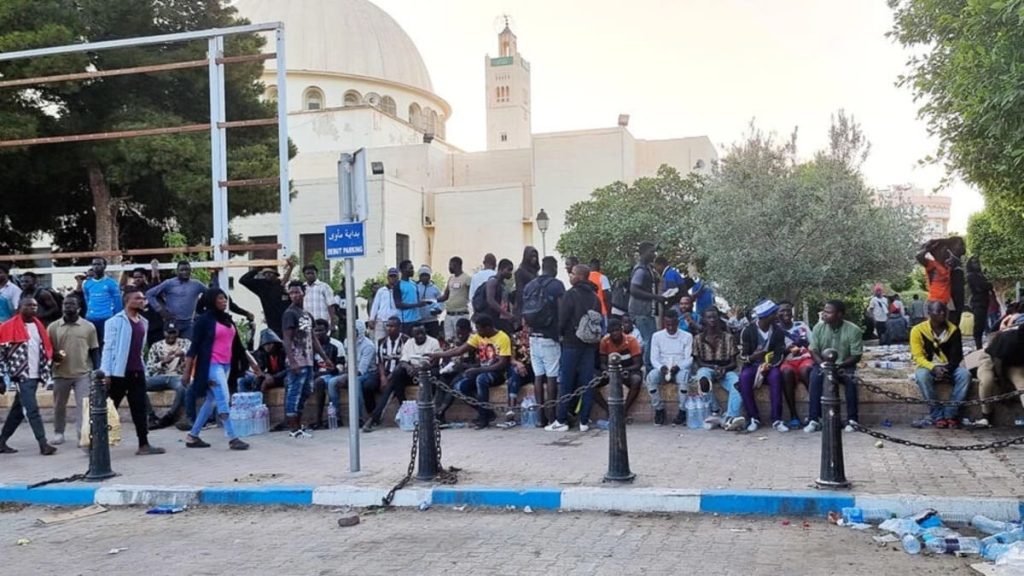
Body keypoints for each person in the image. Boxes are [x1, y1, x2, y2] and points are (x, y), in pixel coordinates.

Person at [180, 289, 260, 450]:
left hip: (226, 365)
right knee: (223, 399)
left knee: (211, 401)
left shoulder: (228, 320)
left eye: (225, 298)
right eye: (220, 298)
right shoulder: (203, 321)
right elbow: (193, 348)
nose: (224, 301)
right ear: (211, 301)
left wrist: (252, 363)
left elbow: (238, 345)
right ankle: (233, 437)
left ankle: (192, 436)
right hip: (211, 365)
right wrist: (187, 372)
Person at [100, 289, 165, 455]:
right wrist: (105, 372)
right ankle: (96, 442)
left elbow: (139, 349)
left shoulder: (143, 321)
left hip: (137, 371)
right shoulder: (114, 322)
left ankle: (143, 444)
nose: (143, 301)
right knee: (108, 408)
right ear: (128, 301)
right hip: (118, 373)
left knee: (139, 408)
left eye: (143, 298)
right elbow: (108, 348)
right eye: (138, 298)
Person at [544, 264, 602, 432]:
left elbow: (562, 319)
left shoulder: (570, 295)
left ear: (580, 276)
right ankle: (584, 421)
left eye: (572, 273)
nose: (570, 275)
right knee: (587, 382)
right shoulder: (595, 297)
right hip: (589, 344)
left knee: (566, 382)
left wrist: (560, 335)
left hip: (571, 343)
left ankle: (561, 420)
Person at [430, 314, 512, 430]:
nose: (477, 331)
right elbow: (459, 350)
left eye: (479, 328)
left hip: (497, 373)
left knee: (481, 379)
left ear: (488, 328)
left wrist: (478, 370)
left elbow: (502, 363)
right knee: (460, 387)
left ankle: (483, 419)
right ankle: (487, 413)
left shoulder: (503, 337)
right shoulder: (478, 337)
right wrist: (437, 355)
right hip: (482, 370)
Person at [0, 295, 57, 455]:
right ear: (20, 307)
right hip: (21, 374)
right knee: (31, 409)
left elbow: (43, 349)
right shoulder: (7, 327)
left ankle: (1, 441)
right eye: (29, 306)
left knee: (18, 411)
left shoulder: (38, 326)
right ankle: (43, 443)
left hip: (35, 374)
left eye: (35, 306)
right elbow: (1, 354)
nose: (33, 308)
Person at [363, 324, 440, 431]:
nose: (421, 335)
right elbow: (403, 360)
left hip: (427, 372)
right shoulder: (409, 343)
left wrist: (419, 369)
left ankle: (433, 416)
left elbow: (435, 362)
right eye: (417, 334)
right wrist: (408, 367)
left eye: (423, 333)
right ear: (413, 335)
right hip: (411, 372)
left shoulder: (433, 342)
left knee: (435, 373)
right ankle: (381, 414)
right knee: (396, 375)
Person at [281, 281, 334, 438]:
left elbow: (313, 339)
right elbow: (287, 339)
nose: (295, 295)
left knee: (305, 392)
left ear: (304, 293)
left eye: (297, 292)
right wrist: (292, 361)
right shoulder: (289, 314)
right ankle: (293, 428)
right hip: (297, 360)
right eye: (292, 293)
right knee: (294, 392)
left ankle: (298, 424)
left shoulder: (306, 315)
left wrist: (325, 358)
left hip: (309, 359)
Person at [804, 300, 864, 434]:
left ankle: (852, 420)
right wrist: (821, 364)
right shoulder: (818, 328)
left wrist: (839, 365)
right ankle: (814, 419)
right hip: (823, 364)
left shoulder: (853, 330)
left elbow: (856, 355)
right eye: (824, 311)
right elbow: (813, 350)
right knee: (815, 378)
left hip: (844, 365)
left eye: (829, 312)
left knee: (851, 381)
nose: (824, 315)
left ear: (840, 315)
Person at [909, 301, 970, 428]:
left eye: (944, 311)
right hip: (927, 366)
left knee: (965, 375)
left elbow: (957, 356)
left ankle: (950, 414)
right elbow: (918, 357)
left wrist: (946, 369)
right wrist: (933, 367)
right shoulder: (918, 330)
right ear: (929, 313)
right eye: (938, 311)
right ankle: (937, 416)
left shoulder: (953, 330)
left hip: (949, 366)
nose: (942, 313)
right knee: (922, 377)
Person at [47, 295, 98, 445]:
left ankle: (82, 435)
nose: (68, 306)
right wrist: (53, 357)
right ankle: (58, 432)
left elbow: (94, 350)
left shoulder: (89, 326)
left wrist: (97, 370)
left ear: (79, 308)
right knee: (58, 406)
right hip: (60, 373)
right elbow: (47, 350)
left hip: (82, 373)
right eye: (65, 304)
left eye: (71, 304)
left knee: (84, 406)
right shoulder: (53, 327)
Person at [522, 256, 565, 426]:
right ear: (553, 267)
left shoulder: (530, 285)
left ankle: (540, 419)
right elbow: (561, 312)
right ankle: (552, 417)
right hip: (550, 337)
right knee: (552, 376)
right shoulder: (556, 285)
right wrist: (561, 333)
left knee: (538, 376)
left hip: (534, 337)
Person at [737, 299, 788, 433]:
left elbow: (780, 353)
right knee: (744, 378)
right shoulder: (747, 331)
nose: (777, 315)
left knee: (776, 377)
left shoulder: (778, 331)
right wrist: (752, 357)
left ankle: (777, 419)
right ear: (767, 316)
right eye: (774, 314)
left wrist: (770, 365)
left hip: (770, 365)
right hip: (752, 365)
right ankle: (754, 417)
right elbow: (742, 355)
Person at [692, 308, 743, 431]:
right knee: (703, 379)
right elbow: (698, 362)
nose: (712, 320)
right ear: (704, 320)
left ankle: (731, 417)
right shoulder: (698, 339)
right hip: (706, 367)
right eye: (709, 317)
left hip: (726, 369)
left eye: (714, 317)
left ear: (719, 319)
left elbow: (733, 363)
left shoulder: (728, 338)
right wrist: (713, 368)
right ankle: (715, 410)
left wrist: (723, 369)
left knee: (738, 384)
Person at [643, 308, 693, 426]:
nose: (670, 327)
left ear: (678, 323)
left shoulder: (687, 336)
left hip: (679, 368)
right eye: (668, 324)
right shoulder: (657, 336)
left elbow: (689, 359)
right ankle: (659, 409)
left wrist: (678, 367)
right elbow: (653, 359)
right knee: (651, 378)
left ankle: (682, 411)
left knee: (684, 379)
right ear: (664, 323)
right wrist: (661, 368)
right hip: (663, 368)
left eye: (673, 324)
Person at [324, 319, 377, 427]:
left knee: (355, 382)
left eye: (354, 330)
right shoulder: (347, 342)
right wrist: (344, 374)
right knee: (331, 382)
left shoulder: (368, 346)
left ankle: (360, 418)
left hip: (367, 373)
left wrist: (346, 377)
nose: (351, 333)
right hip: (350, 372)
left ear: (360, 331)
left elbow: (361, 371)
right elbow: (348, 362)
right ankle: (336, 418)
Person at [975, 315, 1024, 428]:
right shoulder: (1009, 338)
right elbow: (998, 364)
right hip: (992, 359)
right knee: (987, 380)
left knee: (1021, 384)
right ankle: (986, 416)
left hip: (1014, 363)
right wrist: (1003, 386)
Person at [594, 317, 643, 419]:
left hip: (627, 370)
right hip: (610, 371)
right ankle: (608, 410)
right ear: (609, 332)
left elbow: (637, 364)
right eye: (612, 331)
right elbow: (602, 363)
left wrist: (624, 370)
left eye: (617, 330)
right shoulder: (605, 341)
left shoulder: (631, 340)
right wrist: (607, 371)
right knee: (589, 381)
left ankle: (624, 410)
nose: (615, 333)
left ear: (621, 330)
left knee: (636, 380)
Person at [629, 242, 668, 370]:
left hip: (647, 311)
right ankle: (649, 370)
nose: (654, 254)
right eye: (651, 252)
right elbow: (634, 290)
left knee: (651, 339)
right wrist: (655, 297)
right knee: (649, 340)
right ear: (643, 253)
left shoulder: (648, 269)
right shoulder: (640, 270)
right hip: (641, 312)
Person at [144, 323, 190, 430]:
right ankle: (151, 416)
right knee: (138, 385)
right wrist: (163, 363)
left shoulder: (184, 343)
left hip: (176, 377)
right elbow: (149, 369)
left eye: (174, 333)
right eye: (169, 333)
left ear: (178, 332)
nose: (171, 336)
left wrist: (181, 353)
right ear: (164, 333)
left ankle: (170, 416)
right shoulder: (156, 346)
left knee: (183, 386)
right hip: (159, 377)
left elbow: (191, 349)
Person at [145, 261, 206, 340]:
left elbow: (211, 294)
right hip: (172, 321)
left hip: (188, 323)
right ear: (177, 271)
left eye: (187, 270)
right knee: (170, 348)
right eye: (182, 270)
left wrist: (201, 307)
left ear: (190, 271)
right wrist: (160, 310)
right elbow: (149, 294)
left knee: (187, 348)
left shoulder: (197, 284)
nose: (185, 272)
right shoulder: (169, 283)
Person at [434, 318, 477, 424]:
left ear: (469, 330)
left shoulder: (474, 342)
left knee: (454, 384)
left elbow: (478, 364)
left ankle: (441, 410)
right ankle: (439, 415)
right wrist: (446, 366)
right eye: (458, 333)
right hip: (453, 370)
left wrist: (463, 365)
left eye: (462, 333)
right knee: (442, 381)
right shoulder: (453, 342)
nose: (460, 335)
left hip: (467, 370)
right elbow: (446, 358)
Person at [366, 316, 409, 422]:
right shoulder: (381, 341)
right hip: (384, 372)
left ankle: (375, 418)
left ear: (399, 327)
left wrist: (389, 378)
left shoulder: (406, 340)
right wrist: (382, 377)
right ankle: (371, 412)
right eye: (388, 326)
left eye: (393, 326)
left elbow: (405, 361)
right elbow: (379, 361)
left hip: (400, 373)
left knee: (390, 386)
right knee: (367, 386)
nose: (389, 328)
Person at [777, 301, 812, 428]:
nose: (786, 313)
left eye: (788, 310)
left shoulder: (801, 325)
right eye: (782, 311)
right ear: (777, 314)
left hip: (804, 358)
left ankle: (815, 414)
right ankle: (793, 416)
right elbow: (773, 351)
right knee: (786, 373)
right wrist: (787, 350)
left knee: (806, 370)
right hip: (787, 361)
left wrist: (802, 344)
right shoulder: (775, 330)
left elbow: (813, 343)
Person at [83, 257, 122, 359]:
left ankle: (106, 366)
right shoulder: (87, 284)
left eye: (99, 264)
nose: (96, 267)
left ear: (104, 266)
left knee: (106, 344)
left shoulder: (111, 283)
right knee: (92, 345)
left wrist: (117, 317)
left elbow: (117, 302)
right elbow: (87, 300)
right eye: (94, 264)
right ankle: (95, 366)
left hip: (107, 318)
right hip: (91, 318)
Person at [239, 265, 291, 337]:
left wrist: (290, 268)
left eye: (270, 273)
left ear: (276, 274)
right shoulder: (262, 286)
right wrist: (256, 270)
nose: (268, 274)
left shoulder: (282, 286)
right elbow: (243, 280)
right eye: (266, 273)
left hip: (288, 323)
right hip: (273, 325)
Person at [311, 318, 343, 428]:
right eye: (316, 331)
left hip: (331, 375)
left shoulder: (336, 345)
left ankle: (319, 420)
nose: (318, 333)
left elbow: (339, 367)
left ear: (327, 330)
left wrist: (328, 371)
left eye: (321, 330)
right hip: (315, 375)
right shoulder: (310, 346)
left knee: (319, 383)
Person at [438, 256, 471, 343]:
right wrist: (433, 300)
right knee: (449, 339)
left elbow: (471, 294)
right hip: (449, 314)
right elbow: (445, 296)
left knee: (460, 339)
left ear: (457, 265)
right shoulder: (451, 279)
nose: (449, 267)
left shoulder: (467, 278)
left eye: (451, 265)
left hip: (460, 314)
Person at [480, 258, 516, 335]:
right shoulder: (492, 281)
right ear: (501, 269)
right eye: (509, 270)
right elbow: (490, 301)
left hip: (502, 320)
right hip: (494, 319)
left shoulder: (503, 284)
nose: (510, 273)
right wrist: (506, 314)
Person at [393, 260, 429, 336]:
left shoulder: (414, 283)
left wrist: (424, 302)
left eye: (412, 268)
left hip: (417, 319)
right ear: (403, 270)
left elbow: (417, 300)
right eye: (410, 268)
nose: (413, 270)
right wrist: (416, 305)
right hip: (405, 321)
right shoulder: (398, 285)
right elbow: (398, 304)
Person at [967, 256, 994, 349]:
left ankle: (981, 346)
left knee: (982, 324)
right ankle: (979, 347)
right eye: (974, 263)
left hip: (984, 301)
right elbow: (982, 287)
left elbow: (987, 286)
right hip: (978, 302)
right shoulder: (971, 275)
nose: (977, 264)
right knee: (979, 325)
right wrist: (987, 285)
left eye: (977, 262)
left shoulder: (980, 275)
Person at [368, 268, 399, 342]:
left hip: (394, 320)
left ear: (397, 277)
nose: (393, 278)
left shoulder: (399, 290)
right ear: (388, 278)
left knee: (393, 341)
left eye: (395, 276)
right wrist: (371, 319)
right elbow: (375, 305)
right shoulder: (381, 290)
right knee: (379, 341)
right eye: (391, 276)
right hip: (381, 320)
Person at [415, 266, 444, 341]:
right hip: (419, 320)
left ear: (429, 276)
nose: (424, 277)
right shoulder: (416, 288)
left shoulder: (435, 288)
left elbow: (441, 301)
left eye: (426, 275)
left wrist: (439, 310)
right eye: (422, 275)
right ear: (419, 277)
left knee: (433, 340)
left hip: (432, 320)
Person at [513, 246, 540, 319]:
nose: (534, 259)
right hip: (525, 307)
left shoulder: (535, 272)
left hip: (537, 306)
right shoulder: (520, 272)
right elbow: (520, 292)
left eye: (535, 256)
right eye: (532, 256)